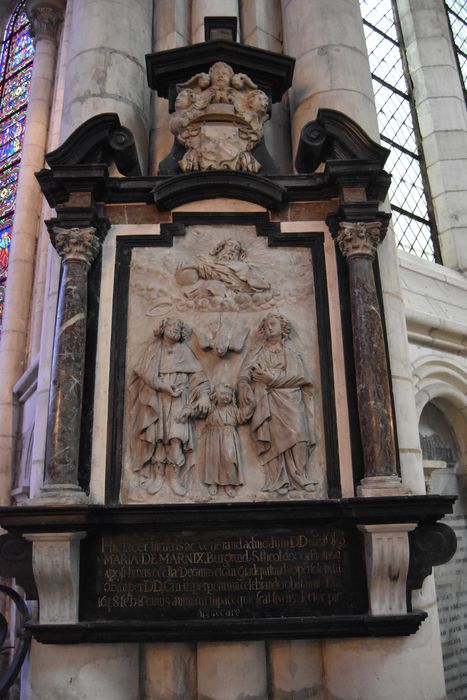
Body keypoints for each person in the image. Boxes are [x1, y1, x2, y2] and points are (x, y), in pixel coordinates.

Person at [238, 312, 316, 495]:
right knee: (272, 440)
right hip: (266, 401)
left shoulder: (290, 352)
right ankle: (277, 480)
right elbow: (244, 374)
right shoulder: (257, 351)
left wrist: (271, 378)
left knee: (299, 434)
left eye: (273, 324)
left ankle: (300, 476)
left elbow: (302, 378)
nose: (269, 327)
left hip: (290, 398)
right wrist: (243, 386)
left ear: (283, 327)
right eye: (266, 325)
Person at [130, 318, 210, 496]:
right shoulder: (153, 350)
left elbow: (199, 377)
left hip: (179, 400)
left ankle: (174, 478)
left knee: (176, 439)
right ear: (163, 328)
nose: (175, 329)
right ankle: (158, 476)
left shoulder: (185, 351)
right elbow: (143, 372)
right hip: (156, 401)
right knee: (158, 439)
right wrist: (162, 385)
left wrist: (204, 396)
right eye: (171, 326)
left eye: (179, 327)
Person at [200, 383, 254, 497]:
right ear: (215, 395)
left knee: (229, 459)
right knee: (213, 460)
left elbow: (242, 416)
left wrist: (251, 406)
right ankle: (213, 482)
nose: (226, 397)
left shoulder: (232, 410)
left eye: (229, 395)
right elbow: (198, 411)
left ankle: (229, 483)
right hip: (213, 437)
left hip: (229, 436)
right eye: (223, 393)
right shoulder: (210, 409)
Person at [175, 238, 271, 300]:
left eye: (236, 249)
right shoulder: (204, 263)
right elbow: (188, 279)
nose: (232, 250)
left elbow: (250, 284)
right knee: (211, 285)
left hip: (233, 295)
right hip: (210, 295)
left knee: (213, 285)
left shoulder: (241, 267)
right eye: (230, 245)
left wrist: (199, 265)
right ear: (220, 248)